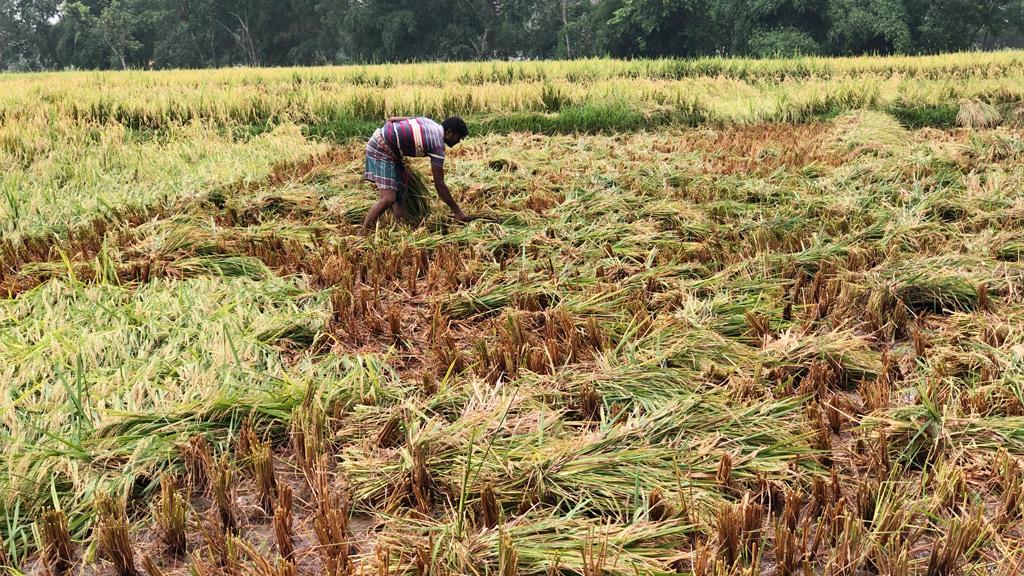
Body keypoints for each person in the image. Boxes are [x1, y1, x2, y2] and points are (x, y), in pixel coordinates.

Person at [362, 116, 468, 234]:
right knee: (388, 198)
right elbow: (440, 184)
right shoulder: (437, 145)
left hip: (389, 147)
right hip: (380, 148)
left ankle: (402, 228)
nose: (459, 142)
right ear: (449, 132)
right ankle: (362, 233)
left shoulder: (428, 122)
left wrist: (397, 139)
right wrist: (457, 211)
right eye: (459, 138)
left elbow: (392, 119)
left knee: (400, 193)